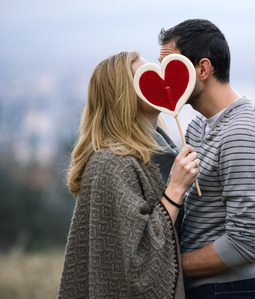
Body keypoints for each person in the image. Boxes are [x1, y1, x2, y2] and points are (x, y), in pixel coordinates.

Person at [58, 51, 200, 299]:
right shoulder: (111, 164)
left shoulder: (156, 157)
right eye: (144, 76)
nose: (157, 79)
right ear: (124, 94)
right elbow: (134, 265)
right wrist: (176, 189)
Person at [159, 19, 255, 298]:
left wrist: (168, 265)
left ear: (202, 68)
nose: (164, 81)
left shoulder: (242, 131)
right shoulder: (198, 127)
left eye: (171, 68)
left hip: (234, 290)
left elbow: (245, 243)